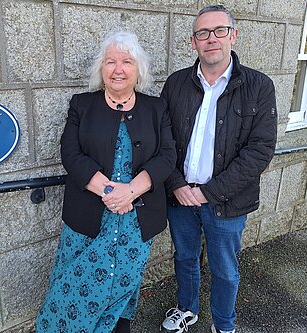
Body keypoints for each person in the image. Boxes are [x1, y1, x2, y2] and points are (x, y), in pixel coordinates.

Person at [35, 31, 176, 333]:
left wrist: (131, 192)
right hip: (89, 217)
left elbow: (167, 156)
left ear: (139, 69)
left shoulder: (156, 108)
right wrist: (111, 192)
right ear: (101, 68)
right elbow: (70, 154)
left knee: (122, 287)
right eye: (110, 61)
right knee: (75, 285)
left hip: (136, 221)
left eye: (127, 61)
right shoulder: (82, 105)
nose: (118, 69)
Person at [160, 5, 277, 333]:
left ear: (233, 35)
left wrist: (207, 193)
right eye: (202, 33)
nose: (211, 39)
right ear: (194, 42)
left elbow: (259, 152)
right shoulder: (176, 84)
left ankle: (224, 325)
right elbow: (162, 140)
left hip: (226, 202)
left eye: (219, 31)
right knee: (184, 259)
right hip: (180, 196)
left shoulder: (259, 86)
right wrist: (176, 184)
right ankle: (187, 309)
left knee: (225, 269)